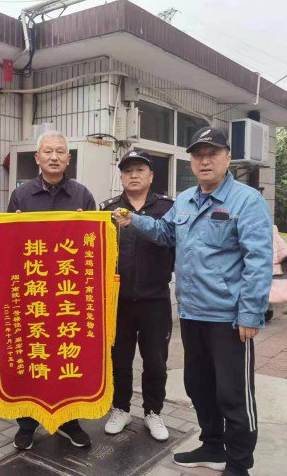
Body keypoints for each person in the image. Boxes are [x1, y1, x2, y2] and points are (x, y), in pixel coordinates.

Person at [114, 127, 273, 476]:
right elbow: (165, 233)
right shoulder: (185, 200)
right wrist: (133, 220)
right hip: (191, 312)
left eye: (212, 154)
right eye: (198, 155)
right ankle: (213, 446)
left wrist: (251, 313)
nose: (205, 161)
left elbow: (259, 260)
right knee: (199, 386)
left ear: (227, 158)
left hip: (229, 318)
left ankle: (239, 464)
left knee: (233, 394)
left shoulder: (246, 201)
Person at [8, 129, 96, 450]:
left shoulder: (82, 195)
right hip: (33, 293)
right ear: (37, 158)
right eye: (48, 151)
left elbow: (95, 243)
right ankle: (27, 423)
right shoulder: (21, 195)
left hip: (68, 293)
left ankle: (69, 420)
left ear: (69, 159)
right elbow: (8, 244)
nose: (54, 157)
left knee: (68, 356)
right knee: (35, 356)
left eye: (60, 152)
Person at [99, 150, 174, 441]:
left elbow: (175, 244)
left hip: (155, 299)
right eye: (128, 171)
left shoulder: (167, 208)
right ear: (121, 177)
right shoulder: (107, 209)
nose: (133, 175)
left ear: (151, 176)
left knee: (155, 361)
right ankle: (120, 408)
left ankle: (153, 411)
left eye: (140, 170)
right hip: (118, 301)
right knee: (119, 359)